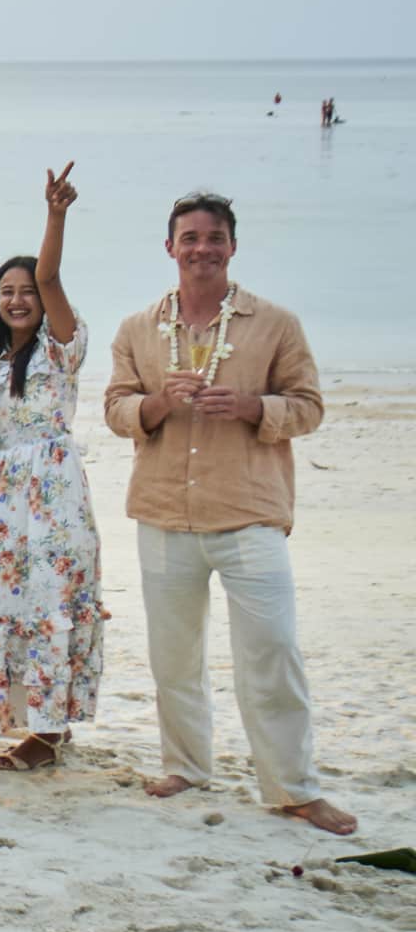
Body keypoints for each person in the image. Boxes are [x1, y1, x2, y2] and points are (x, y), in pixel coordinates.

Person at [103, 192, 355, 835]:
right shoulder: (138, 327)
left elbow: (309, 407)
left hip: (249, 511)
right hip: (163, 511)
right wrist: (158, 403)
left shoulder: (274, 323)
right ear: (170, 248)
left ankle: (293, 787)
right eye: (189, 238)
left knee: (272, 650)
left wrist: (252, 408)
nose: (202, 249)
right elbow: (115, 410)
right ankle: (185, 764)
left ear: (232, 246)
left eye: (214, 237)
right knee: (173, 656)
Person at [0, 166, 107, 772]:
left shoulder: (60, 347)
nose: (18, 298)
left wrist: (55, 214)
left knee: (51, 602)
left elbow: (49, 274)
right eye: (6, 292)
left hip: (51, 494)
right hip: (2, 502)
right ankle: (41, 723)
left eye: (25, 290)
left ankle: (46, 735)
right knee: (11, 607)